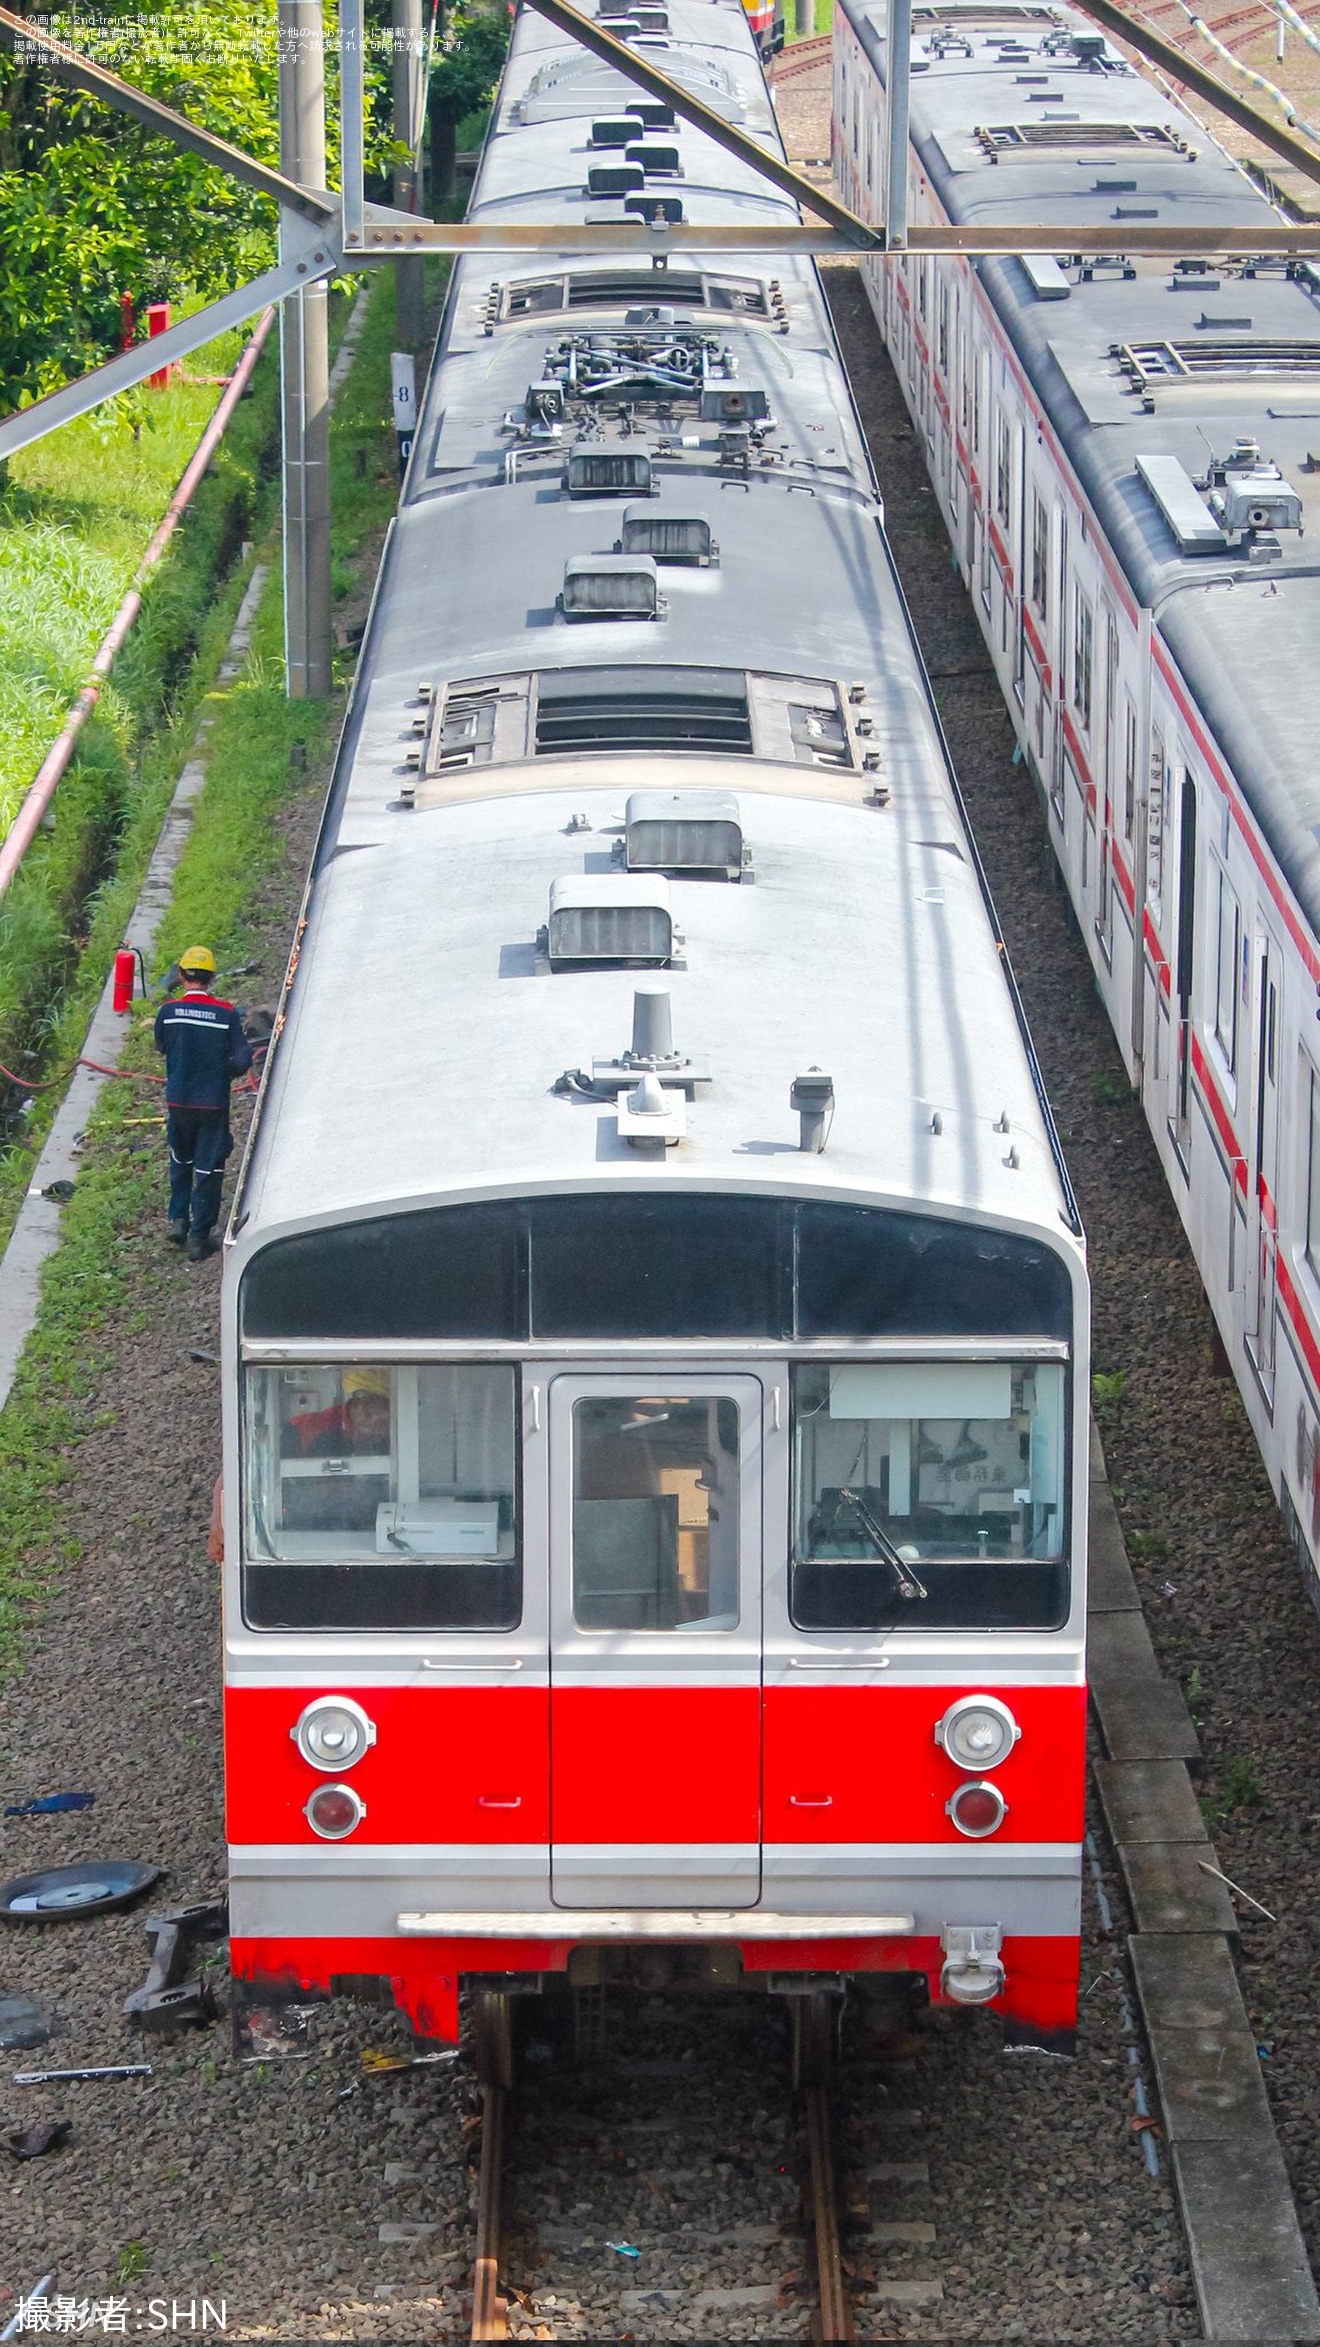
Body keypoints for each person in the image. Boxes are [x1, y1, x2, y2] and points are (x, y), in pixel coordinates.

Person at [153, 946, 252, 1262]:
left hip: (178, 1101)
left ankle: (179, 1220)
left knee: (180, 1158)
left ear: (181, 977)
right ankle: (199, 1239)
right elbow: (242, 1059)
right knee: (209, 1167)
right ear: (211, 978)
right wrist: (222, 1070)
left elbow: (161, 1046)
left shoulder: (168, 1013)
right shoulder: (225, 1014)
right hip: (212, 1104)